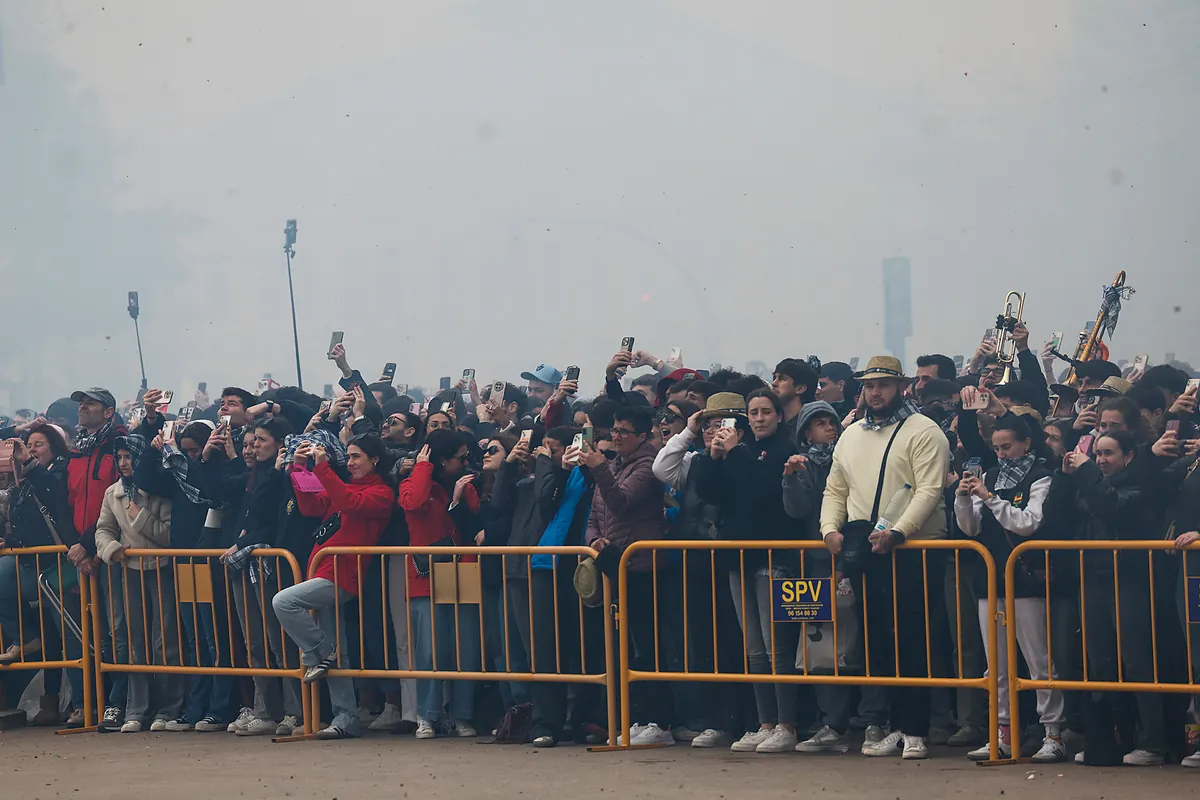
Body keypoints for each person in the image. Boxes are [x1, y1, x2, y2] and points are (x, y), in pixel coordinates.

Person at [820, 356, 950, 760]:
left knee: (914, 639)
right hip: (866, 547)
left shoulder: (924, 431)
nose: (875, 392)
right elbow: (834, 489)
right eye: (870, 385)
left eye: (884, 385)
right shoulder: (851, 434)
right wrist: (829, 530)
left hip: (913, 549)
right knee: (880, 643)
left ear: (902, 387)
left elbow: (929, 491)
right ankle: (896, 725)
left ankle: (917, 730)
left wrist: (898, 532)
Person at [694, 389, 803, 754]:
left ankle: (787, 723)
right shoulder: (737, 454)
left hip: (773, 557)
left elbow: (763, 493)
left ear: (778, 416)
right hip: (737, 557)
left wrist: (737, 452)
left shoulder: (783, 451)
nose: (758, 419)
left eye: (765, 412)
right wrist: (713, 455)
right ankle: (765, 722)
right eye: (753, 413)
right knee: (754, 648)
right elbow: (710, 492)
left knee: (777, 648)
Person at [954, 417, 1066, 762]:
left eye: (1008, 446)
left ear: (1027, 443)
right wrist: (962, 498)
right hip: (990, 578)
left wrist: (989, 498)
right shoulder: (988, 475)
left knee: (1038, 660)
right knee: (996, 665)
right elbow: (970, 529)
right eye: (997, 447)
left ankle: (1053, 733)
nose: (1001, 454)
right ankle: (1001, 733)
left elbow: (1028, 522)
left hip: (1026, 578)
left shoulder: (1042, 476)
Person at [272, 434, 396, 740]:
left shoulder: (381, 494)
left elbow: (346, 503)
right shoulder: (347, 487)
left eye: (357, 457)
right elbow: (312, 506)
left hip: (342, 577)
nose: (351, 463)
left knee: (283, 602)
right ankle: (346, 717)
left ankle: (319, 651)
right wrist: (298, 468)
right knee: (338, 656)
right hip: (323, 570)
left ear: (374, 459)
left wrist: (325, 467)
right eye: (349, 457)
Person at [1062, 429, 1167, 766]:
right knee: (1100, 665)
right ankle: (1105, 741)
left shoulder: (1142, 485)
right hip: (1092, 580)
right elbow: (1066, 516)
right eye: (1098, 455)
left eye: (1108, 454)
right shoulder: (1089, 483)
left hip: (1129, 581)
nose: (1102, 461)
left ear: (1129, 457)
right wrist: (1067, 478)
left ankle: (1153, 742)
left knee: (1138, 663)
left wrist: (1087, 473)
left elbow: (1113, 508)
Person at [580, 405, 669, 746]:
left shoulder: (648, 466)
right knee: (625, 649)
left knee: (648, 647)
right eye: (613, 431)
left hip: (642, 567)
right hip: (613, 565)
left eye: (624, 432)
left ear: (643, 436)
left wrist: (599, 467)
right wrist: (593, 540)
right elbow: (594, 515)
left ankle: (660, 722)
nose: (615, 437)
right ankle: (638, 718)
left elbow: (622, 502)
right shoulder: (614, 464)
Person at [93, 434, 185, 733]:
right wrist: (111, 549)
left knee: (165, 640)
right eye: (119, 457)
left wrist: (140, 516)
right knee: (134, 641)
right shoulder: (113, 493)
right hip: (128, 570)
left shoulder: (159, 490)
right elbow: (103, 530)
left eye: (129, 456)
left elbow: (172, 536)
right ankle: (137, 709)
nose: (124, 463)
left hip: (162, 569)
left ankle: (169, 708)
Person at [398, 429, 481, 740]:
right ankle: (427, 715)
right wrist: (422, 467)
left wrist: (459, 498)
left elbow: (474, 519)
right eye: (459, 458)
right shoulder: (415, 482)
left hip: (462, 572)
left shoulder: (462, 485)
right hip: (426, 575)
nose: (464, 462)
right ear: (442, 459)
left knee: (466, 650)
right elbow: (413, 502)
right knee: (431, 651)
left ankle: (462, 715)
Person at [0, 426, 85, 725]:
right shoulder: (24, 480)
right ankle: (25, 639)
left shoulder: (60, 470)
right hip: (27, 561)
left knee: (68, 636)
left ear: (55, 447)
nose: (32, 449)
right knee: (46, 635)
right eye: (29, 444)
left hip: (57, 563)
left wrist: (31, 464)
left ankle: (84, 703)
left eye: (39, 444)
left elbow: (54, 493)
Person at [66, 387, 130, 731]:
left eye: (90, 403)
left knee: (120, 630)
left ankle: (118, 702)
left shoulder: (119, 446)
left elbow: (116, 506)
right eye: (81, 403)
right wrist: (77, 550)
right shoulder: (76, 451)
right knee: (91, 633)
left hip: (112, 551)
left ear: (108, 412)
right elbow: (67, 503)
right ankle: (91, 702)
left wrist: (87, 545)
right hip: (83, 554)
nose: (83, 408)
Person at [772, 358, 819, 446]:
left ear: (800, 388)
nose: (774, 383)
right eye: (774, 377)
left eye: (783, 379)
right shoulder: (772, 423)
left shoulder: (812, 426)